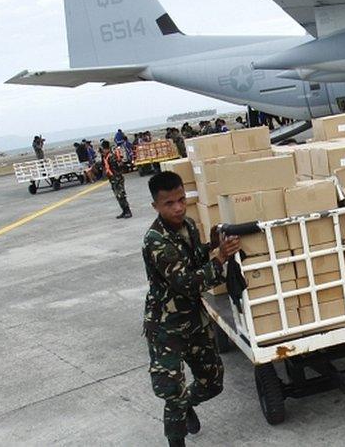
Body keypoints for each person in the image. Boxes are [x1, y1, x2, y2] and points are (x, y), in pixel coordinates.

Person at [142, 171, 241, 446]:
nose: (177, 208)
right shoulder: (155, 241)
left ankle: (185, 406)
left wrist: (212, 245)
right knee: (171, 392)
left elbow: (195, 258)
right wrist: (220, 258)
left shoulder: (187, 225)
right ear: (156, 206)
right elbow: (185, 281)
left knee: (213, 383)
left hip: (194, 320)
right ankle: (177, 434)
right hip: (166, 326)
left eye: (181, 200)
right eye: (169, 203)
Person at [101, 141, 132, 219]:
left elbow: (118, 166)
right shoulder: (106, 156)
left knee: (121, 195)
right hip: (113, 179)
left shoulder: (111, 156)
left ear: (105, 148)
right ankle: (124, 211)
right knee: (117, 196)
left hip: (117, 178)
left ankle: (128, 211)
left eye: (103, 149)